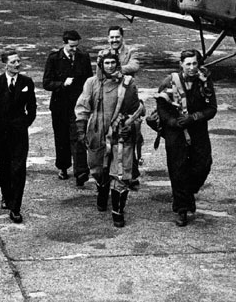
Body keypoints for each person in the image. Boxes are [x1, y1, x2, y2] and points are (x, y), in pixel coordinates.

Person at [74, 52, 143, 228]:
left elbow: (137, 109)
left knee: (121, 172)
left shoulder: (128, 84)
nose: (110, 66)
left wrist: (130, 125)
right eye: (107, 63)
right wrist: (81, 129)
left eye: (113, 62)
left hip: (121, 135)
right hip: (97, 133)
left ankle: (118, 211)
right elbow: (82, 106)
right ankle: (102, 190)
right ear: (101, 64)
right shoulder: (91, 83)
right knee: (97, 168)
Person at [154, 50, 217, 227]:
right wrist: (173, 122)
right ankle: (181, 209)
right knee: (178, 168)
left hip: (197, 128)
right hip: (175, 130)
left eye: (194, 64)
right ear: (181, 64)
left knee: (203, 165)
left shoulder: (204, 81)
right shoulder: (169, 82)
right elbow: (161, 108)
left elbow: (212, 108)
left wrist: (194, 117)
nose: (191, 67)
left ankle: (187, 193)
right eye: (187, 64)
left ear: (199, 64)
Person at [0, 51, 36, 224]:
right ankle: (6, 195)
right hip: (1, 132)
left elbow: (32, 108)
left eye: (19, 61)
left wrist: (24, 123)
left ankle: (15, 208)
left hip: (19, 133)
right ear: (5, 64)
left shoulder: (27, 82)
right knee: (4, 167)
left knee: (18, 169)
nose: (17, 64)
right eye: (13, 62)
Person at [42, 29, 92, 186]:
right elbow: (46, 83)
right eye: (71, 46)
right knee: (61, 138)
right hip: (59, 106)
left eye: (76, 46)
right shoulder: (54, 59)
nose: (74, 49)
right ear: (64, 44)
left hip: (78, 105)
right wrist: (62, 84)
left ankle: (81, 173)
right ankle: (63, 167)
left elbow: (89, 80)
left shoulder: (83, 57)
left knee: (78, 137)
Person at [97, 26, 142, 187]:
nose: (114, 40)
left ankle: (132, 174)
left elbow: (134, 66)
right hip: (109, 99)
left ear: (122, 37)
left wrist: (116, 69)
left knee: (131, 136)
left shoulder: (131, 51)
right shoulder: (103, 53)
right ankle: (108, 174)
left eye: (117, 37)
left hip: (127, 99)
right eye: (112, 38)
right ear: (108, 38)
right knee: (108, 139)